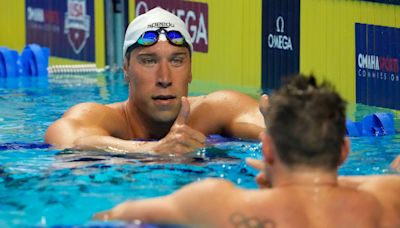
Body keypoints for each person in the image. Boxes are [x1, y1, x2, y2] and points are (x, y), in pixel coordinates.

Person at [93, 75, 400, 227]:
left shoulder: (219, 204)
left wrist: (282, 181)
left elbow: (110, 216)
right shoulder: (387, 199)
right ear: (343, 151)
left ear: (267, 149)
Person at [45, 7, 265, 154]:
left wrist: (280, 129)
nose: (164, 78)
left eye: (176, 61)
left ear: (190, 70)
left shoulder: (216, 109)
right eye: (149, 61)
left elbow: (274, 131)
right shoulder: (103, 118)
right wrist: (152, 150)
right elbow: (64, 139)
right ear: (126, 70)